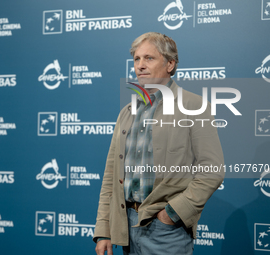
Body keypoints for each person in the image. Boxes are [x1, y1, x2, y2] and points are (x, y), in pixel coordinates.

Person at [94, 32, 224, 255]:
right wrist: (104, 230)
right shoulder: (127, 112)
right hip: (125, 228)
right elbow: (110, 176)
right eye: (137, 59)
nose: (140, 65)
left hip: (166, 231)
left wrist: (171, 215)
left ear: (170, 64)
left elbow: (212, 170)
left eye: (149, 58)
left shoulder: (194, 105)